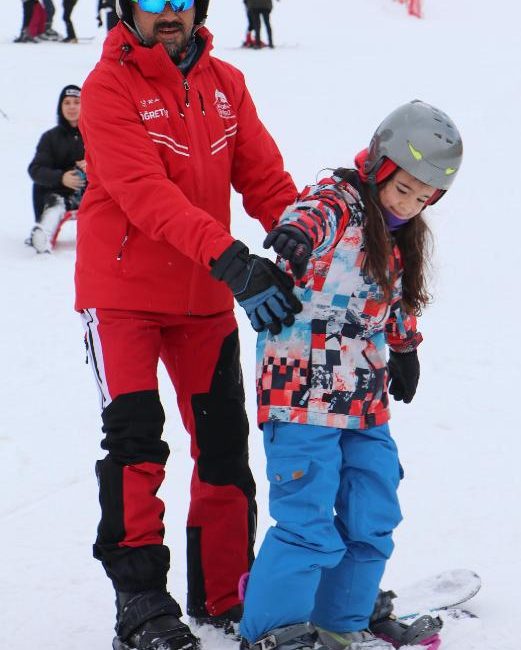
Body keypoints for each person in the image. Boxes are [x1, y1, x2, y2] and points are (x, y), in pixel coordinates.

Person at [76, 1, 300, 649]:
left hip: (203, 297)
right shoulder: (107, 87)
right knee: (137, 444)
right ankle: (141, 604)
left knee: (225, 446)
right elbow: (144, 192)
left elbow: (264, 180)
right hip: (121, 296)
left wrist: (315, 250)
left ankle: (226, 593)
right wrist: (233, 258)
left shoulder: (226, 83)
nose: (169, 11)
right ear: (127, 7)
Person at [238, 100, 464, 650]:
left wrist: (405, 348)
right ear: (380, 166)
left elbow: (392, 298)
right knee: (307, 518)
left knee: (373, 509)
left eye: (422, 198)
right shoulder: (340, 199)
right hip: (301, 393)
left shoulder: (397, 237)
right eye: (402, 189)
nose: (408, 205)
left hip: (364, 398)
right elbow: (313, 215)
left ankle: (341, 621)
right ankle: (273, 634)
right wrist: (295, 232)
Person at [27, 84, 86, 253]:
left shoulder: (96, 133)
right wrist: (61, 178)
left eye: (76, 102)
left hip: (91, 194)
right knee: (54, 207)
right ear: (61, 107)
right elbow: (36, 170)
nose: (72, 107)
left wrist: (93, 166)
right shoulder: (50, 138)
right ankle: (42, 237)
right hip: (58, 196)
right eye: (67, 102)